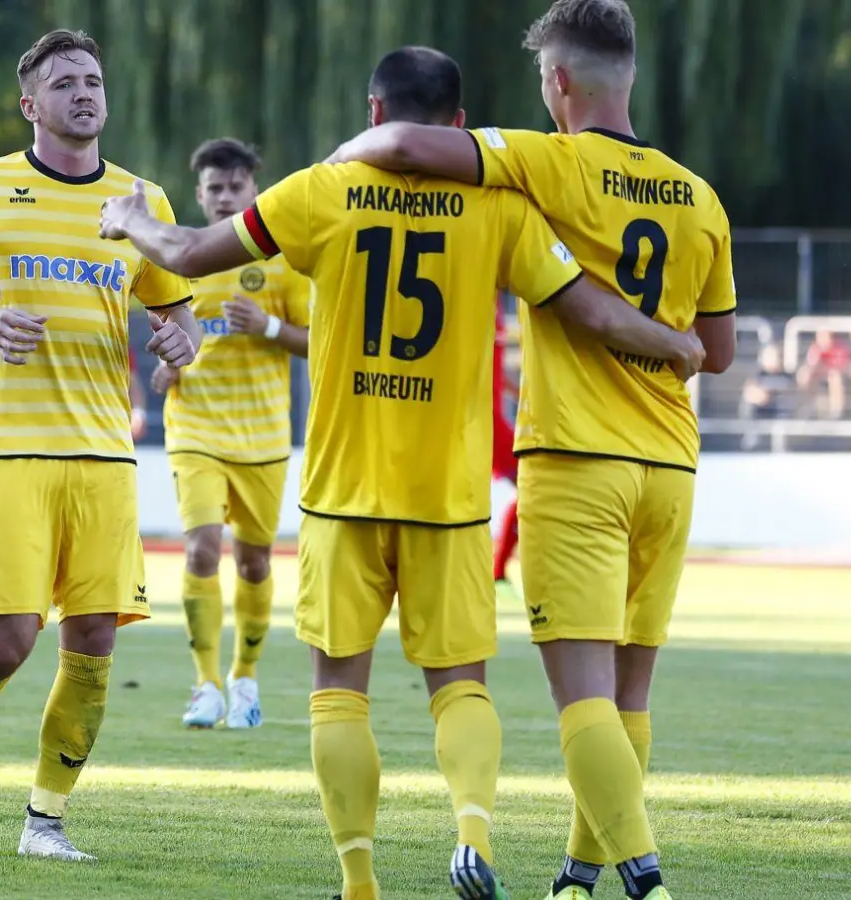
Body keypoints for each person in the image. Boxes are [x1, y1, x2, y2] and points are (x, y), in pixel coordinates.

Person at [101, 45, 703, 900]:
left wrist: (132, 220)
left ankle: (359, 880)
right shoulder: (496, 208)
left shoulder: (322, 190)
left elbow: (194, 251)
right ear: (458, 126)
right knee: (459, 685)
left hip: (344, 489)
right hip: (449, 498)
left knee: (338, 689)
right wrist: (675, 343)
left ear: (375, 117)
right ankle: (473, 834)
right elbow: (589, 308)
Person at [326, 3, 737, 898]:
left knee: (582, 698)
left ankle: (647, 883)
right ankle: (577, 880)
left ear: (558, 82)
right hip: (669, 462)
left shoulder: (547, 159)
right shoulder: (699, 195)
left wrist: (342, 157)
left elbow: (405, 147)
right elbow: (721, 349)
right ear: (628, 74)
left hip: (578, 461)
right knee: (629, 698)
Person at [0, 28, 200, 862]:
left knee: (94, 643)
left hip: (106, 453)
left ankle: (45, 822)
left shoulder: (144, 200)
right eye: (65, 82)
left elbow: (176, 311)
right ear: (31, 104)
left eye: (94, 80)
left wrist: (182, 344)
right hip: (7, 448)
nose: (85, 92)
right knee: (5, 642)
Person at [158, 138, 311, 731]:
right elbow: (167, 334)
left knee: (252, 563)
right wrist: (166, 364)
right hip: (194, 427)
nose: (225, 197)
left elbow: (321, 339)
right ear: (200, 195)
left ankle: (246, 677)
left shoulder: (281, 262)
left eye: (235, 187)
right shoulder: (181, 262)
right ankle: (206, 684)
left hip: (265, 439)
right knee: (200, 548)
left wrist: (270, 324)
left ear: (254, 192)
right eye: (215, 189)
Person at [492, 297, 520, 584]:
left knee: (530, 491)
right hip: (485, 423)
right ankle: (497, 570)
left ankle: (499, 570)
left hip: (493, 420)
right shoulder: (478, 298)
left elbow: (496, 374)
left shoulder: (494, 308)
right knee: (531, 489)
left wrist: (520, 392)